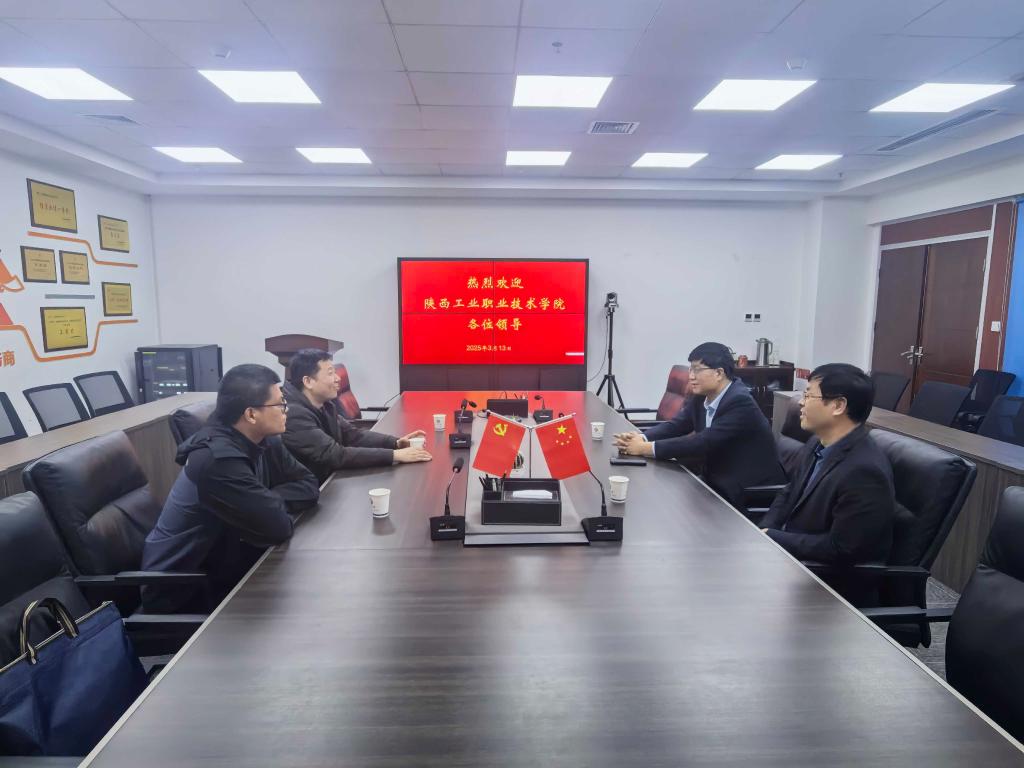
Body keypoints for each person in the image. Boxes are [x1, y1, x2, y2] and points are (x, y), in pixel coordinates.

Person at [141, 364, 319, 613]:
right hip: (184, 590)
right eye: (280, 404)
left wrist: (266, 500)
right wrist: (266, 505)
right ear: (251, 414)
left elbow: (309, 484)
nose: (286, 410)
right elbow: (278, 527)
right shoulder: (217, 461)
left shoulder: (264, 439)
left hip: (227, 565)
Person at [614, 341, 785, 509]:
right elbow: (677, 425)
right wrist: (641, 437)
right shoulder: (703, 396)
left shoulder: (739, 402)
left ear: (719, 373)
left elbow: (702, 442)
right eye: (690, 369)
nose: (691, 376)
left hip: (747, 493)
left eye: (697, 369)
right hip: (715, 483)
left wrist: (643, 448)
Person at [760, 363, 895, 566]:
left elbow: (842, 548)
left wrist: (774, 538)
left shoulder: (864, 471)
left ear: (838, 406)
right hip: (790, 554)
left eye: (808, 395)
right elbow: (789, 492)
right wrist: (764, 532)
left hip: (824, 576)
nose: (801, 403)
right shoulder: (817, 442)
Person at [281, 348, 431, 484]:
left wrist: (396, 443)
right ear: (308, 381)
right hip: (311, 492)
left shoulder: (324, 404)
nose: (338, 378)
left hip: (332, 481)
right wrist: (395, 455)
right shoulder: (293, 415)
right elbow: (335, 455)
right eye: (330, 373)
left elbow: (353, 435)